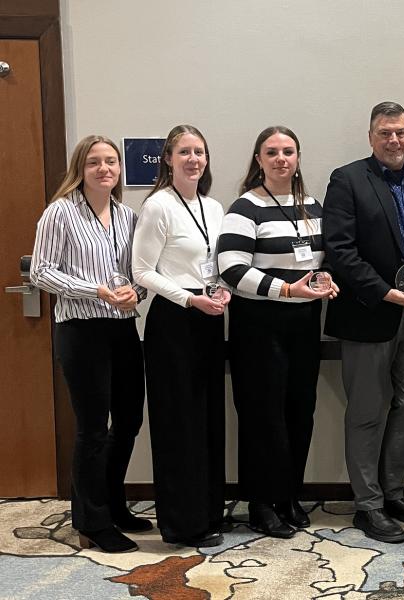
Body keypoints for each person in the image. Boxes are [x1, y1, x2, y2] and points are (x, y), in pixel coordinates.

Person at [322, 101, 404, 543]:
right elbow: (340, 249)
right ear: (371, 137)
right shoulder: (348, 179)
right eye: (384, 133)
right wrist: (385, 292)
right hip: (369, 314)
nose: (393, 140)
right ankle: (368, 505)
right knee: (366, 413)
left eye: (400, 132)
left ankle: (393, 492)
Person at [30, 135, 150, 553]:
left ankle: (114, 503)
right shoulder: (59, 213)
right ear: (80, 169)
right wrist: (94, 290)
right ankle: (91, 521)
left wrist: (136, 291)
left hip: (122, 329)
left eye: (111, 162)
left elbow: (141, 274)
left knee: (130, 421)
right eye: (95, 162)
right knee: (94, 430)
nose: (105, 169)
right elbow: (41, 273)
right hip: (82, 332)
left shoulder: (127, 215)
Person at [218, 126, 338, 538]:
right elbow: (231, 269)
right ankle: (260, 502)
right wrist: (285, 288)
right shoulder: (245, 207)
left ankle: (289, 494)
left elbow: (320, 257)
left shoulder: (311, 204)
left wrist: (324, 279)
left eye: (288, 151)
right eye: (272, 152)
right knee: (261, 415)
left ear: (298, 157)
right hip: (259, 324)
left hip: (304, 323)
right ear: (259, 159)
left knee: (299, 411)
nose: (281, 158)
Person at [132, 124, 229, 548]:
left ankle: (208, 512)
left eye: (200, 152)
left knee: (208, 418)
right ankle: (181, 523)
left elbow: (217, 262)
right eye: (184, 152)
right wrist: (189, 300)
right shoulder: (158, 206)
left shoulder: (214, 206)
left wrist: (221, 289)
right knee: (179, 422)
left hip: (210, 316)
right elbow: (142, 272)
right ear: (168, 159)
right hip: (174, 322)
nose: (193, 159)